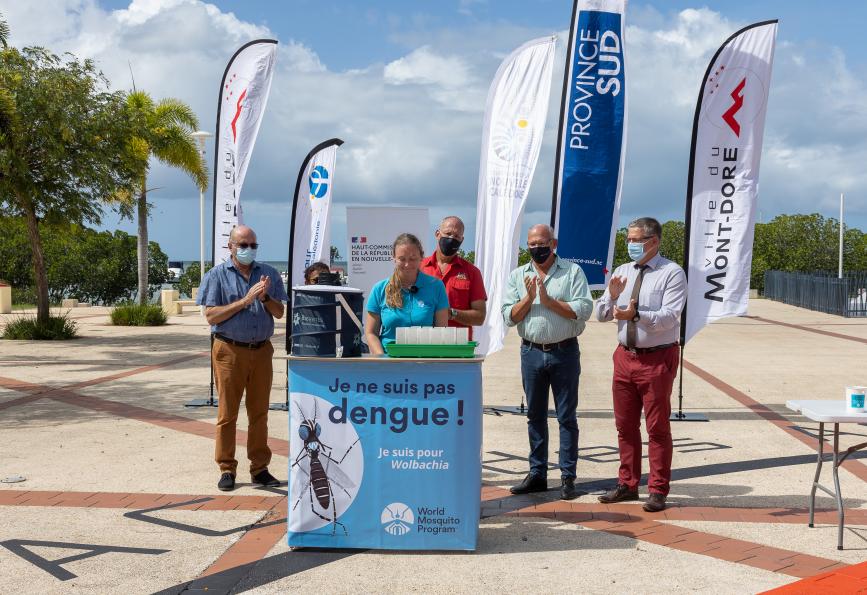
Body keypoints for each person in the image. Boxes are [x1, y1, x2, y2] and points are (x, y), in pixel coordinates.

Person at [594, 217, 686, 513]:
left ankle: (658, 489)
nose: (631, 245)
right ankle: (627, 484)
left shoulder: (671, 273)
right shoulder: (622, 271)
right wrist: (611, 295)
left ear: (654, 241)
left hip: (657, 357)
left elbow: (669, 317)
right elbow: (601, 314)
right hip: (625, 355)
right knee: (624, 425)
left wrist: (636, 315)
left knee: (657, 427)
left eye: (636, 240)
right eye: (628, 240)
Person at [501, 224, 593, 500]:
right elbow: (509, 315)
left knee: (566, 417)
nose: (536, 248)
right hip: (530, 353)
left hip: (563, 352)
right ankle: (537, 474)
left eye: (541, 243)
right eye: (531, 244)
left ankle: (567, 476)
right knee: (535, 416)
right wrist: (530, 298)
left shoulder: (572, 272)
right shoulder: (519, 275)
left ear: (553, 244)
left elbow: (584, 310)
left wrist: (549, 301)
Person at [196, 225, 288, 492]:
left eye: (253, 245)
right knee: (228, 414)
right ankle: (227, 468)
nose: (248, 250)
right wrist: (245, 301)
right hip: (229, 350)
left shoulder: (268, 274)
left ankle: (259, 468)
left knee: (259, 413)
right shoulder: (216, 276)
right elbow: (211, 316)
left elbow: (280, 312)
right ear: (231, 247)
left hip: (261, 350)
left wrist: (265, 297)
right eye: (243, 245)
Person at [365, 233, 449, 355]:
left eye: (412, 258)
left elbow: (442, 331)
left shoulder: (436, 287)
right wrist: (382, 358)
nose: (407, 264)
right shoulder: (379, 289)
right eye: (402, 259)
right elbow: (371, 333)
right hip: (389, 364)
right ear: (393, 258)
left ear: (421, 257)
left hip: (425, 362)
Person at [420, 216, 487, 339]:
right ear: (437, 234)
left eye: (456, 236)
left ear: (462, 239)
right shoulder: (419, 268)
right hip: (423, 342)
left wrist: (451, 313)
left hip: (458, 347)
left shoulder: (472, 272)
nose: (451, 238)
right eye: (448, 233)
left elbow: (480, 317)